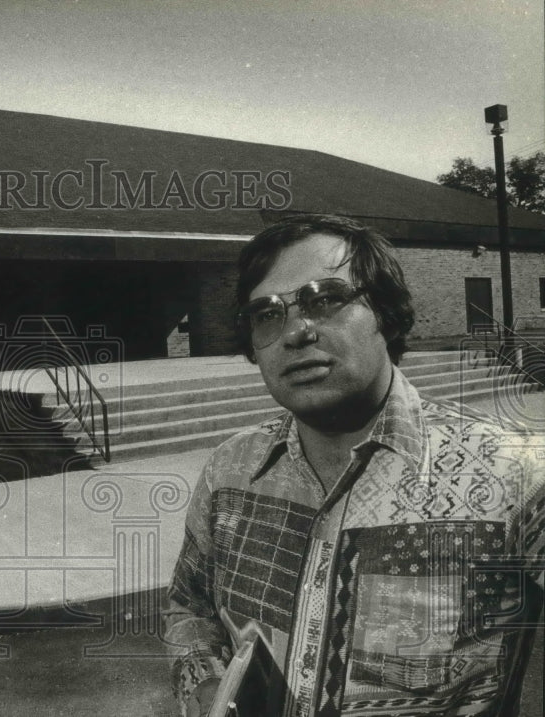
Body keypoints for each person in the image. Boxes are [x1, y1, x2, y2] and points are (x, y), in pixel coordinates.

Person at [164, 214, 544, 717]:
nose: (296, 331)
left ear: (384, 312)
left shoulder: (516, 471)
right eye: (266, 314)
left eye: (326, 299)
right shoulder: (229, 469)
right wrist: (204, 685)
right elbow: (190, 607)